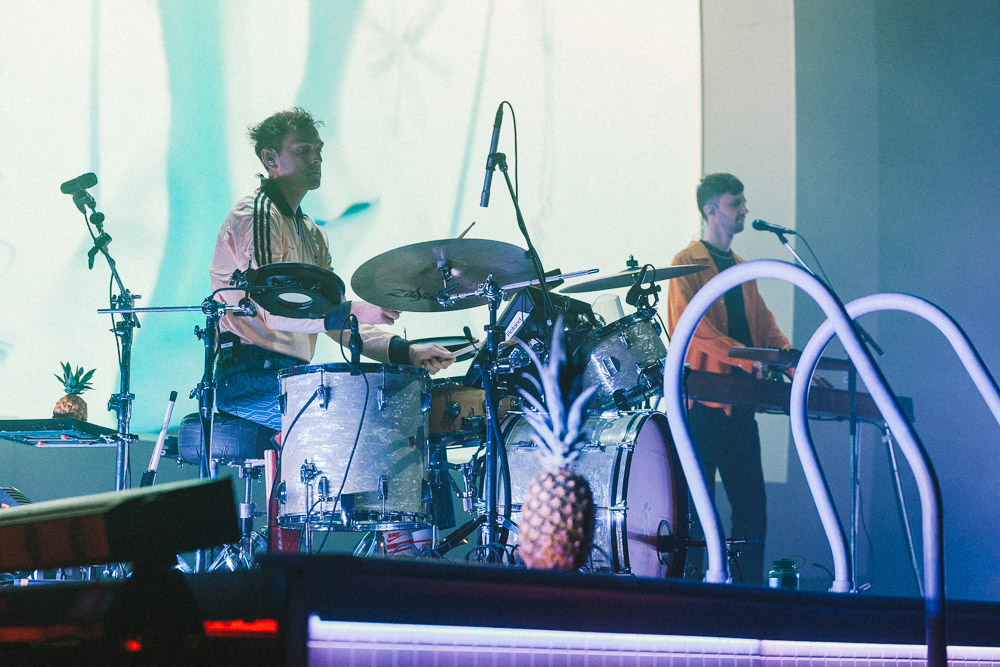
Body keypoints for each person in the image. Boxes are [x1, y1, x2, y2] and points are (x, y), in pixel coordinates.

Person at [210, 107, 454, 431]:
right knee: (353, 420)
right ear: (270, 158)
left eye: (319, 149)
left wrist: (404, 351)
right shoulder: (255, 216)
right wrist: (355, 309)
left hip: (288, 377)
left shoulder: (313, 234)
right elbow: (272, 308)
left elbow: (329, 319)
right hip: (246, 378)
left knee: (372, 413)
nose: (317, 159)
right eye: (303, 150)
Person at [666, 173, 791, 585]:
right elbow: (693, 328)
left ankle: (748, 595)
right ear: (710, 209)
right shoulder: (686, 263)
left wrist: (794, 365)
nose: (744, 210)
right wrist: (745, 361)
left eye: (743, 201)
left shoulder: (742, 269)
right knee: (697, 510)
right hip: (703, 407)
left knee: (752, 507)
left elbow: (766, 327)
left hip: (740, 407)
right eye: (736, 202)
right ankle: (693, 596)